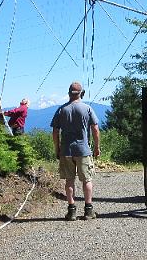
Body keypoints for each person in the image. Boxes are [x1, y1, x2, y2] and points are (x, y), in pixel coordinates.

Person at [51, 82, 100, 221]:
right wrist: (96, 147)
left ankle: (71, 211)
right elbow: (95, 129)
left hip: (66, 150)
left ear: (69, 93)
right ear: (81, 93)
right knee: (87, 180)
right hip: (83, 150)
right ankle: (88, 210)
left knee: (69, 181)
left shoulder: (61, 110)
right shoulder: (87, 108)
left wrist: (57, 148)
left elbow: (55, 132)